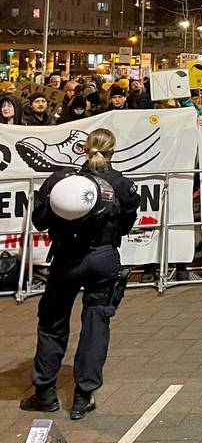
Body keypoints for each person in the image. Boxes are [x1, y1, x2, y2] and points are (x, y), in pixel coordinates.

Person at [20, 129, 141, 419]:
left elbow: (39, 220)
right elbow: (126, 223)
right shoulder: (121, 184)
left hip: (66, 260)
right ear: (113, 150)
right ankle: (83, 396)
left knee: (52, 322)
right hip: (103, 258)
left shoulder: (60, 180)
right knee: (96, 322)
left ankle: (45, 392)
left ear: (83, 149)